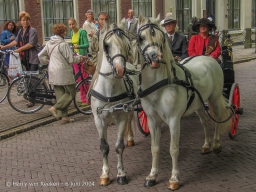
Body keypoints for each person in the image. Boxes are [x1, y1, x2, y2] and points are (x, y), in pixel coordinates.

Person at [38, 23, 87, 124]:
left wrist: (47, 62)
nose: (66, 32)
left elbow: (40, 55)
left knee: (60, 95)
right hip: (63, 72)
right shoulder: (63, 44)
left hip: (52, 71)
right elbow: (71, 59)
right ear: (62, 33)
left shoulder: (49, 43)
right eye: (65, 31)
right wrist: (81, 58)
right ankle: (55, 108)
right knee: (71, 92)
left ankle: (64, 117)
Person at [68, 17, 90, 106]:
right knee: (79, 78)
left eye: (73, 24)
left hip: (83, 57)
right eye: (70, 25)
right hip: (75, 57)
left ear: (76, 23)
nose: (72, 26)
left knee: (84, 78)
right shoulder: (71, 32)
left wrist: (78, 47)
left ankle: (88, 98)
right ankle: (82, 97)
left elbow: (86, 44)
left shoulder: (82, 32)